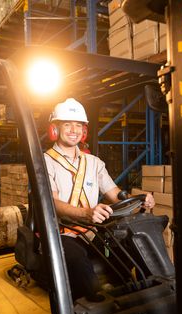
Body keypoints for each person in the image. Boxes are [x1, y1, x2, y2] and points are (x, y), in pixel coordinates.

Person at [44, 98, 155, 302]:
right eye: (67, 124)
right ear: (55, 129)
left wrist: (138, 200)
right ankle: (90, 313)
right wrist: (87, 213)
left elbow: (115, 194)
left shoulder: (94, 163)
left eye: (78, 125)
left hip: (93, 232)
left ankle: (140, 300)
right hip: (61, 234)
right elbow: (52, 202)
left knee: (132, 246)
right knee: (78, 263)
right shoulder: (44, 162)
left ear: (84, 131)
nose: (73, 130)